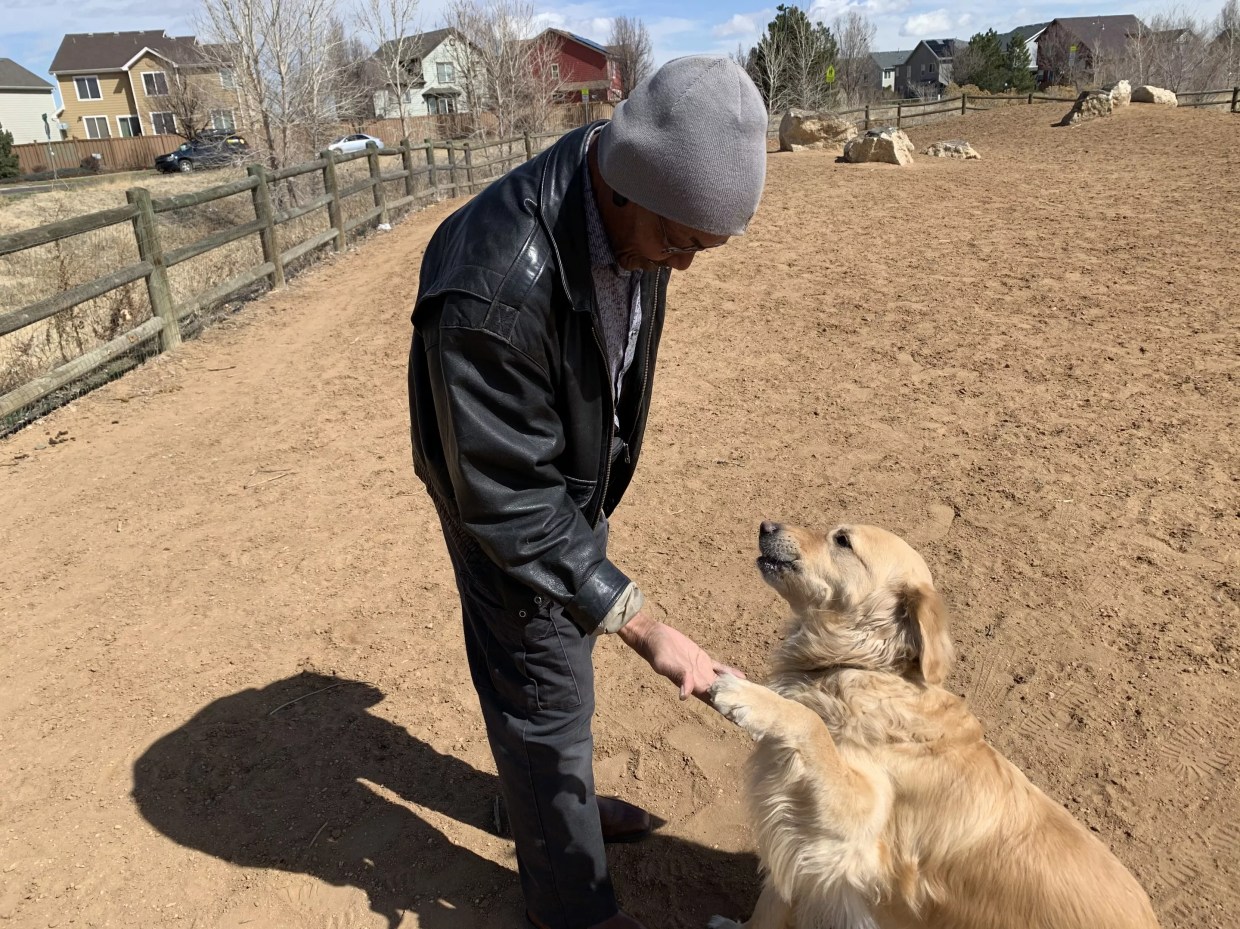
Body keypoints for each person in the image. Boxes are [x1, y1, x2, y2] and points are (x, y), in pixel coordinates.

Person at [406, 56, 769, 929]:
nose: (681, 267)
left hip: (551, 482)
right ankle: (574, 903)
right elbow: (508, 498)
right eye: (679, 241)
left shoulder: (624, 201)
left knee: (554, 663)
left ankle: (543, 807)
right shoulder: (497, 283)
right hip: (502, 494)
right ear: (629, 186)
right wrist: (640, 620)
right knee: (545, 686)